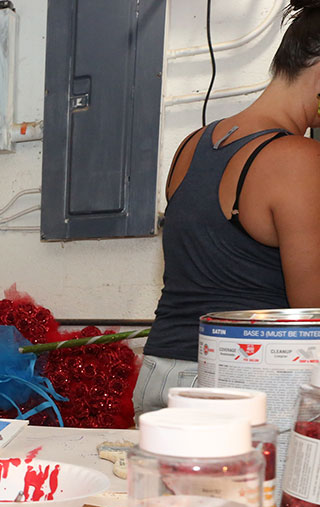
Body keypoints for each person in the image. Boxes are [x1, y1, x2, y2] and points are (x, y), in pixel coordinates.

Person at [134, 0, 320, 415]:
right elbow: (314, 318)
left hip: (159, 375)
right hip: (232, 386)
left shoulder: (191, 146)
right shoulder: (300, 160)